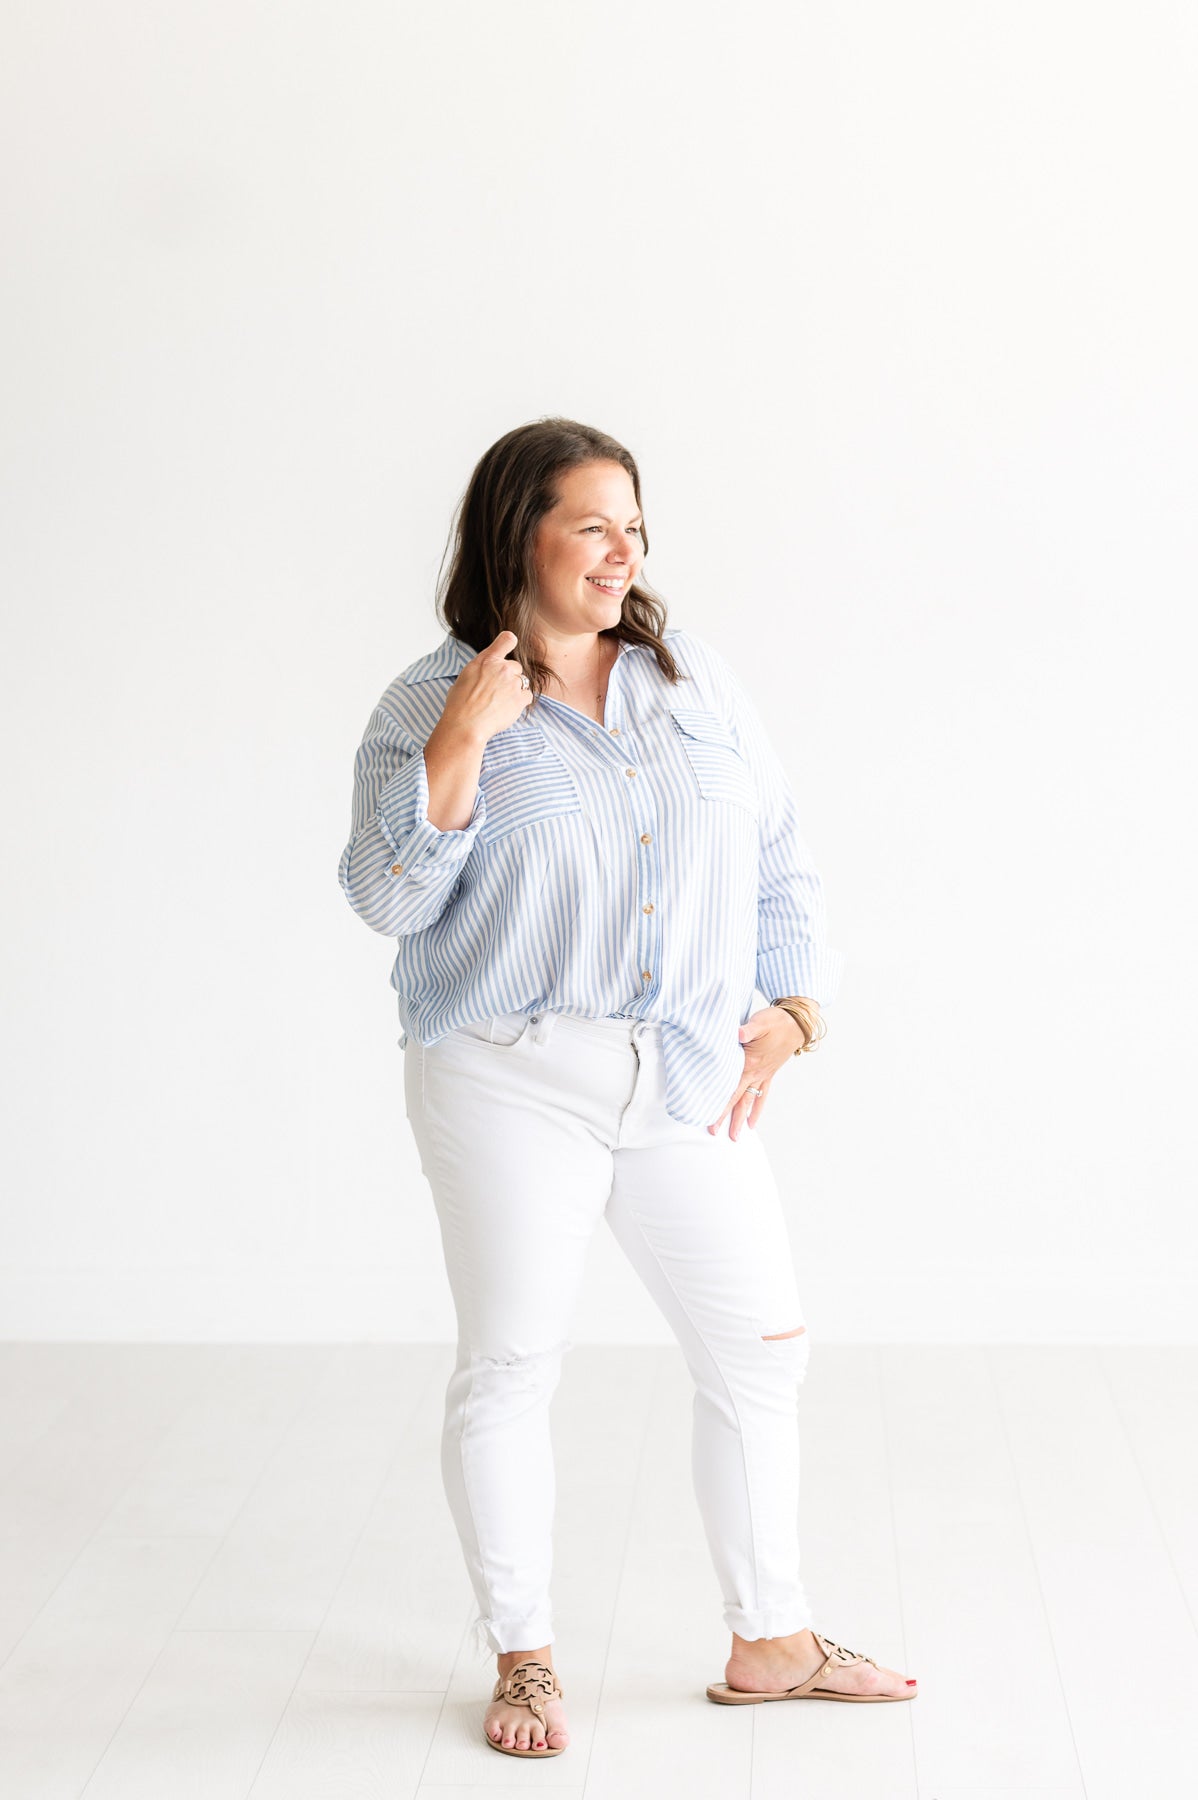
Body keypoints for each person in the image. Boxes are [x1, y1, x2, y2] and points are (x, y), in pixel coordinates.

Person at [337, 417, 917, 1759]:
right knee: (511, 1369)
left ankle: (770, 1638)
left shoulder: (690, 679)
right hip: (507, 1079)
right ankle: (526, 1656)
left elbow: (779, 853)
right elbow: (384, 899)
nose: (624, 551)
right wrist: (462, 748)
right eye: (592, 524)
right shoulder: (427, 701)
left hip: (685, 1078)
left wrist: (796, 1005)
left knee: (763, 1350)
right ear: (515, 537)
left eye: (633, 526)